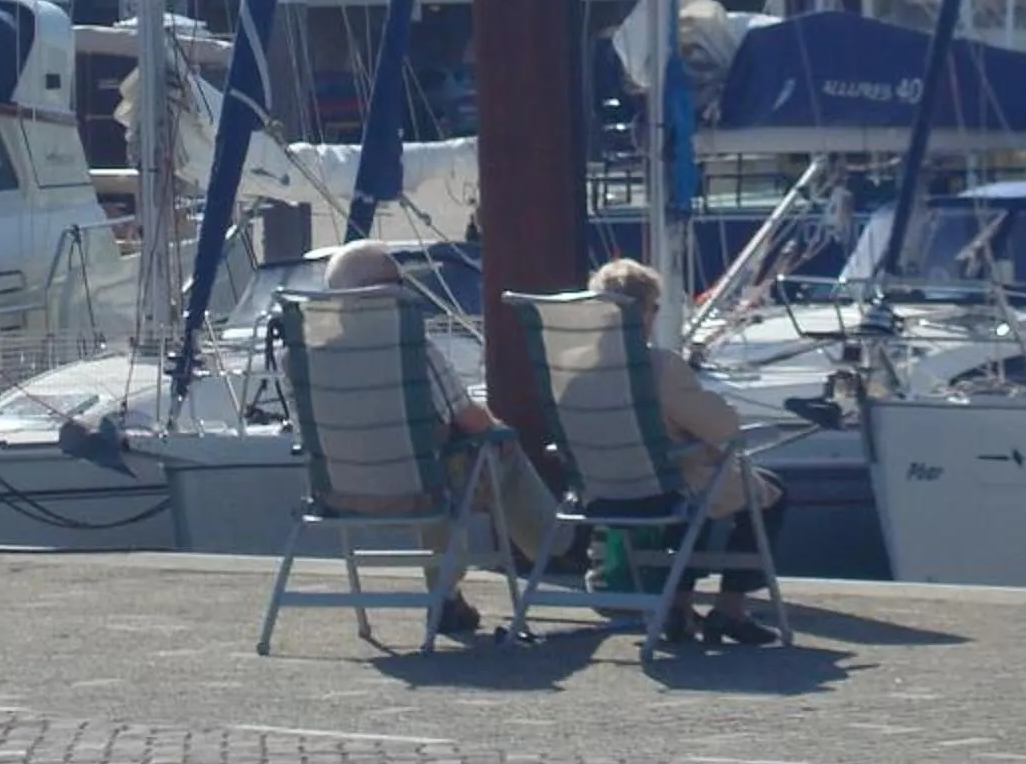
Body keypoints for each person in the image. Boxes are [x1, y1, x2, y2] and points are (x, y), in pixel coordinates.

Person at [319, 238, 559, 638]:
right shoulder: (415, 352)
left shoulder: (308, 359)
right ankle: (555, 544)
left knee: (438, 466)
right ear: (380, 292)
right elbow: (471, 419)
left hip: (340, 494)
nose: (405, 290)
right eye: (397, 282)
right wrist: (498, 429)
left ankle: (447, 597)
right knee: (493, 446)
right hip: (420, 490)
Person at [588, 258, 787, 647]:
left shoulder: (579, 372)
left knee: (699, 493)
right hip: (664, 489)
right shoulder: (660, 368)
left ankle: (678, 607)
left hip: (601, 492)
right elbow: (722, 427)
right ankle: (730, 608)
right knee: (767, 492)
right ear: (642, 312)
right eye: (654, 307)